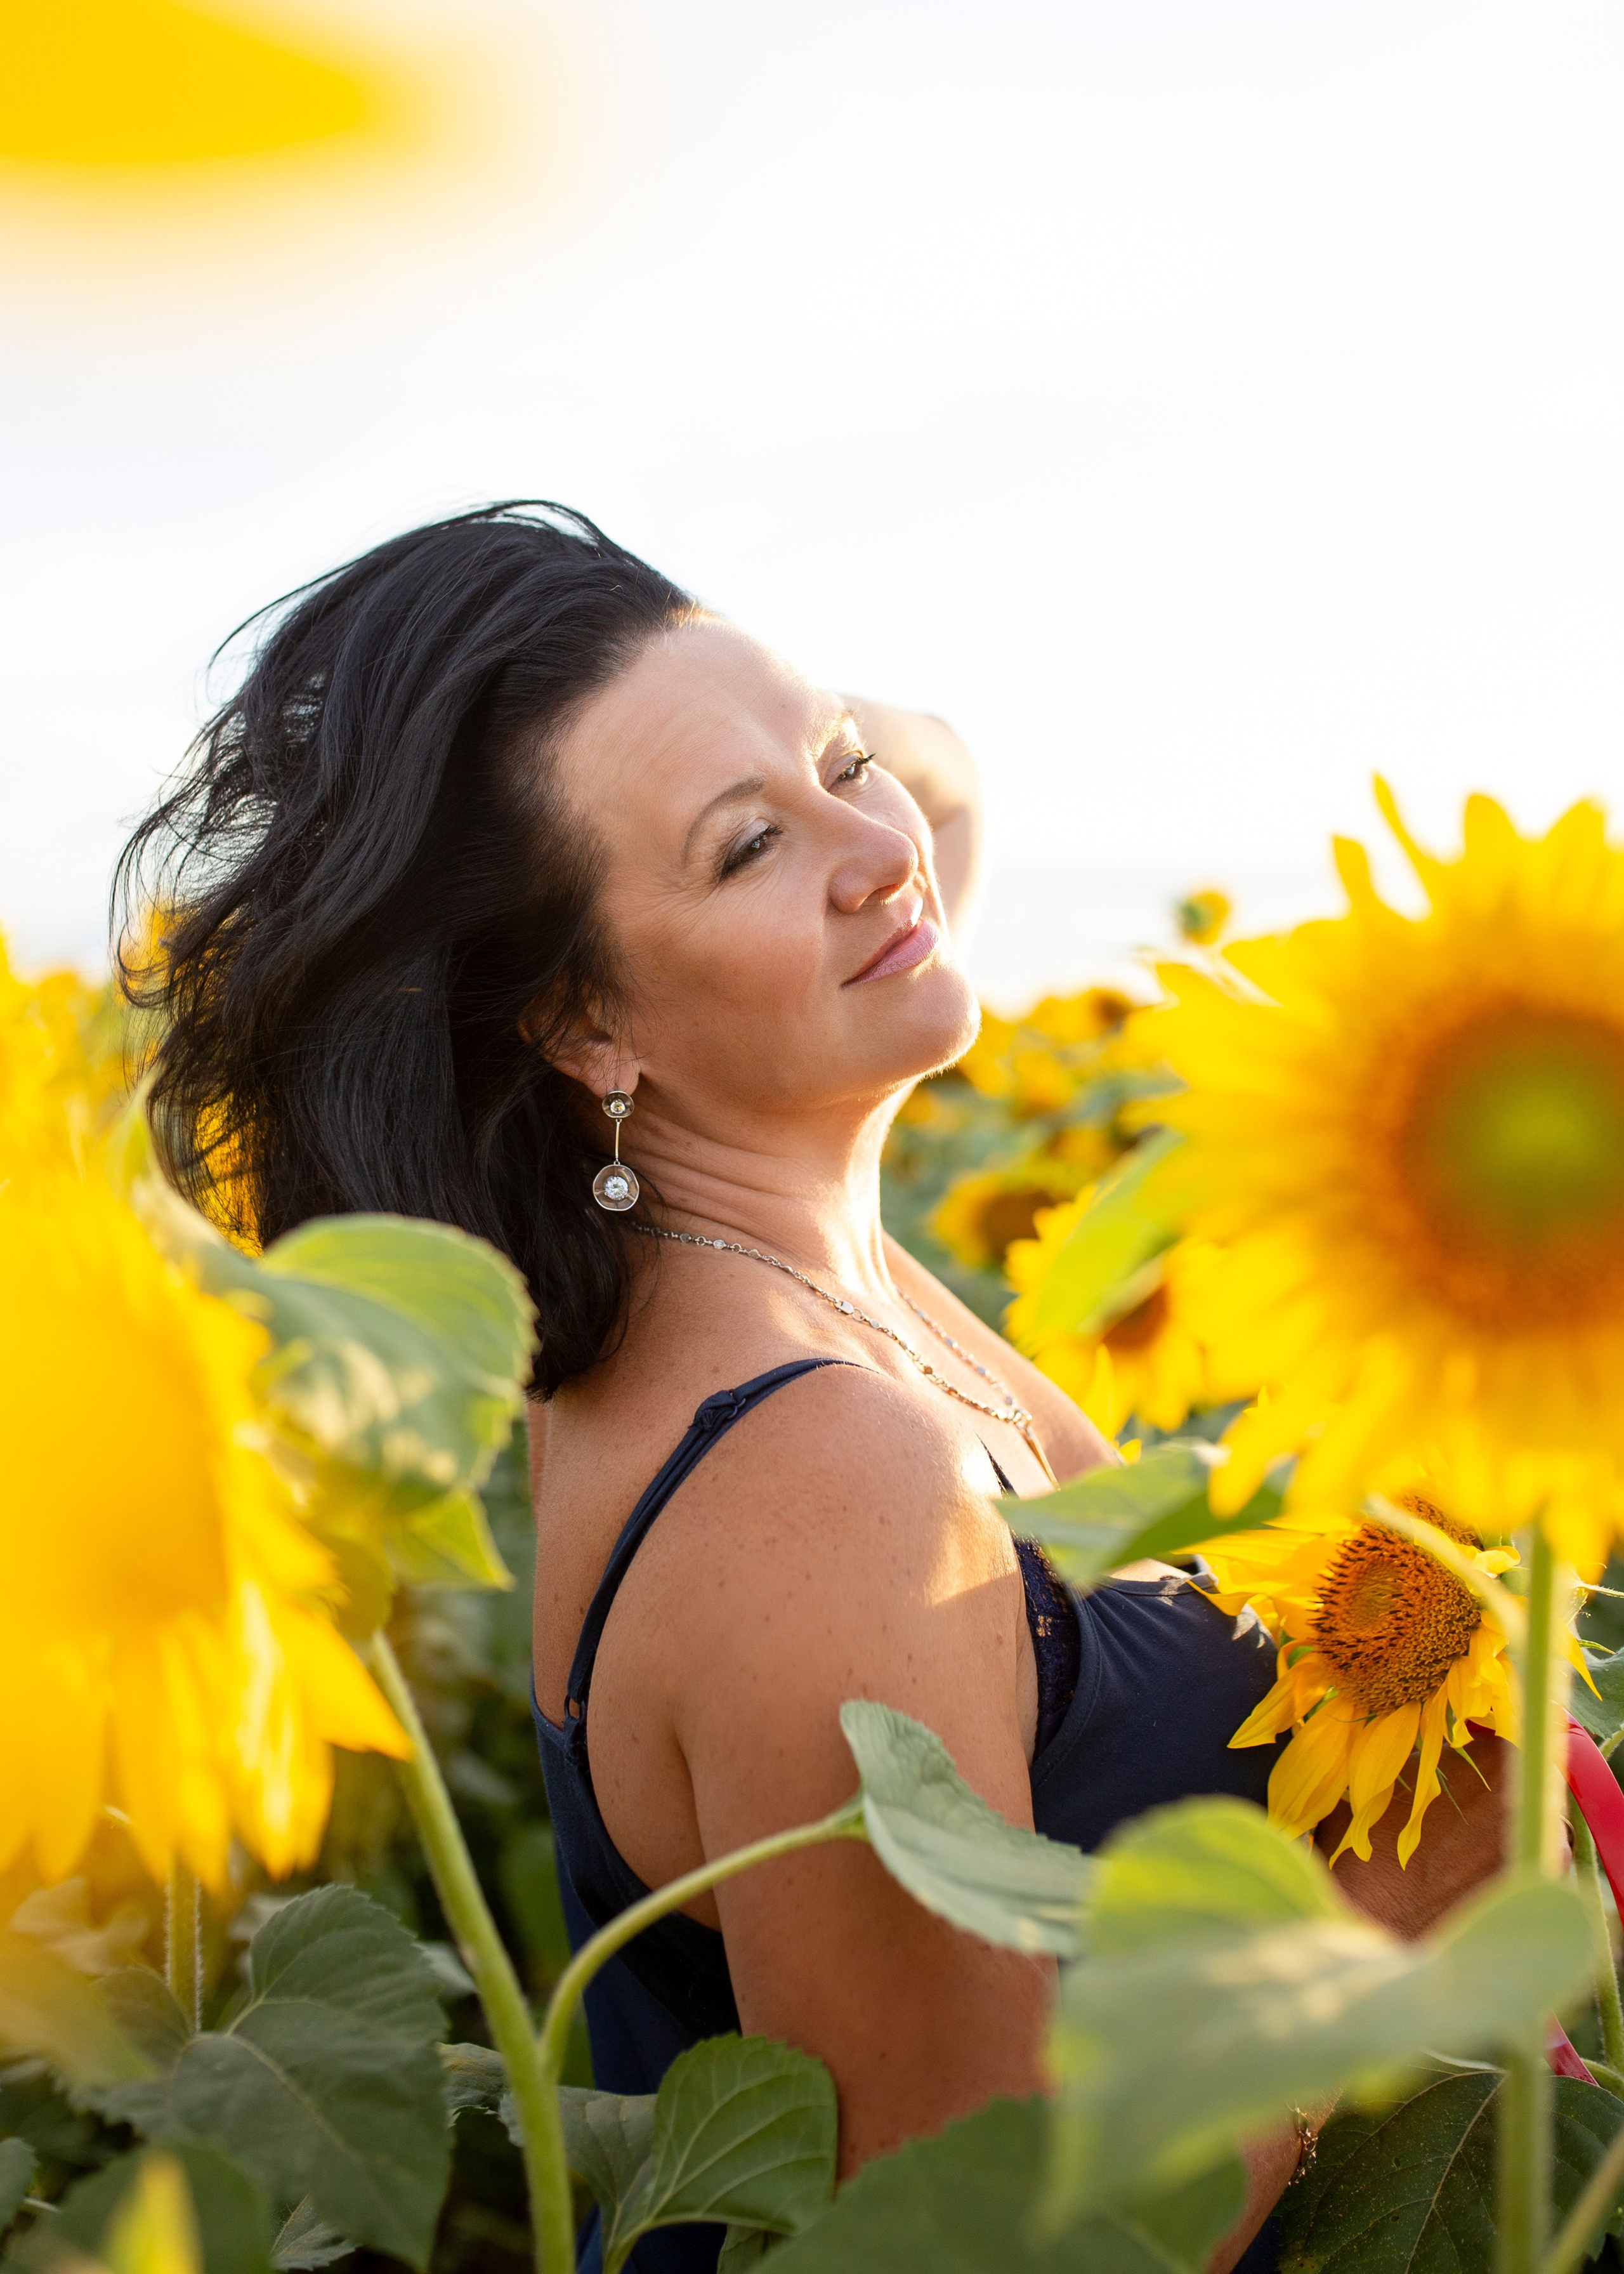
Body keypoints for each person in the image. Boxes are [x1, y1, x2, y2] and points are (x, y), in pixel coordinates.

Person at [119, 504, 1507, 2274]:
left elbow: (917, 802)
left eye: (846, 759)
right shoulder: (817, 1474)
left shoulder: (804, 1284)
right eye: (746, 848)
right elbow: (977, 2253)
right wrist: (1395, 1920)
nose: (882, 847)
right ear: (581, 1026)